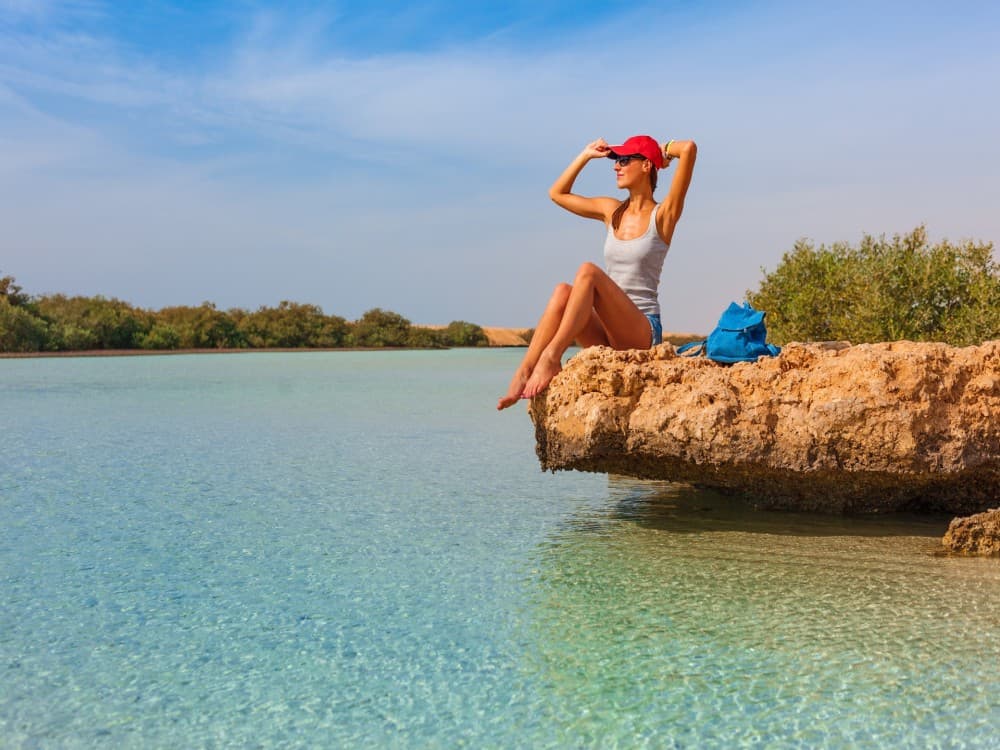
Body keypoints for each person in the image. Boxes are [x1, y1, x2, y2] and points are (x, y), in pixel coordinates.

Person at [497, 134, 697, 410]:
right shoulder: (612, 211)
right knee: (562, 292)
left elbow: (688, 149)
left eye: (624, 160)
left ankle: (551, 357)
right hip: (608, 332)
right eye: (616, 160)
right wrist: (586, 155)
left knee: (588, 272)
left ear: (646, 166)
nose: (616, 166)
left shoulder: (663, 216)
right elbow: (557, 194)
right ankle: (524, 371)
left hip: (642, 332)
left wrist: (661, 151)